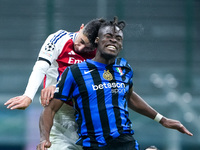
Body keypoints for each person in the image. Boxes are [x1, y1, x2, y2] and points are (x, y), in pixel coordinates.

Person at [37, 17, 193, 150]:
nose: (113, 40)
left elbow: (130, 97)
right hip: (94, 144)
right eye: (108, 36)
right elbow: (49, 110)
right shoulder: (75, 72)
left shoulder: (124, 69)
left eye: (118, 38)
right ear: (97, 41)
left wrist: (162, 120)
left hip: (125, 142)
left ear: (121, 45)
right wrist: (44, 138)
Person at [4, 18, 105, 150]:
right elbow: (41, 66)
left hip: (87, 113)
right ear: (81, 28)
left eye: (88, 48)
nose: (80, 48)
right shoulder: (59, 38)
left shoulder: (101, 54)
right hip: (58, 110)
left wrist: (58, 87)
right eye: (81, 41)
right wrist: (28, 95)